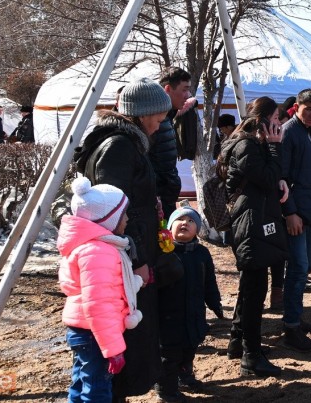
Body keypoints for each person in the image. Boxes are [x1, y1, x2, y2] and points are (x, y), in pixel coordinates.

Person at [71, 78, 171, 400]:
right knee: (122, 340)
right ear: (143, 113)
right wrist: (137, 262)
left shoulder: (129, 143)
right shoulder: (119, 147)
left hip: (127, 256)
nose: (163, 122)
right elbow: (112, 215)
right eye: (160, 114)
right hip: (122, 263)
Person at [221, 96, 288, 377]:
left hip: (255, 219)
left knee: (251, 286)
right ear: (263, 119)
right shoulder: (247, 144)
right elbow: (265, 177)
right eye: (275, 120)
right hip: (250, 222)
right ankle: (251, 355)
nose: (279, 125)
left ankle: (238, 342)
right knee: (254, 290)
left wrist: (277, 176)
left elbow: (267, 178)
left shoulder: (250, 143)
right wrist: (274, 150)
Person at [58, 176, 141, 403]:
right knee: (97, 389)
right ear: (108, 218)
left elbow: (107, 288)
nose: (126, 218)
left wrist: (136, 282)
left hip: (85, 330)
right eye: (122, 214)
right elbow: (99, 305)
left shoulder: (92, 246)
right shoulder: (98, 251)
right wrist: (112, 350)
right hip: (95, 334)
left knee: (82, 380)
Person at [156, 207, 223, 401]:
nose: (185, 223)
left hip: (194, 312)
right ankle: (166, 390)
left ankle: (185, 375)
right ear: (170, 227)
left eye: (191, 221)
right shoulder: (163, 251)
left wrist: (215, 303)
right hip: (168, 315)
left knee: (189, 348)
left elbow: (209, 281)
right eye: (180, 220)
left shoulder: (202, 253)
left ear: (198, 229)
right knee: (169, 354)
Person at [279, 88, 311, 352]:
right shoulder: (288, 132)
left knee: (303, 269)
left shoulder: (308, 132)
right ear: (297, 106)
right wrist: (290, 212)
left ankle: (296, 318)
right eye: (309, 109)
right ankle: (291, 327)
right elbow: (282, 179)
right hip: (297, 212)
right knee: (297, 270)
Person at [151, 67, 192, 217]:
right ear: (168, 89)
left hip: (164, 199)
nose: (187, 95)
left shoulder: (167, 118)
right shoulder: (153, 122)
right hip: (157, 202)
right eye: (184, 89)